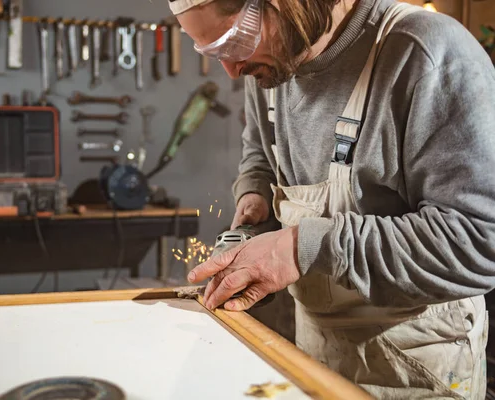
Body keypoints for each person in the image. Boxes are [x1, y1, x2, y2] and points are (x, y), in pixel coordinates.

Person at [167, 0, 495, 398]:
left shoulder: (427, 54)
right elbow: (261, 148)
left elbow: (478, 240)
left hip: (420, 367)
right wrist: (255, 193)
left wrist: (302, 246)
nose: (232, 69)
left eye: (235, 40)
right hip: (316, 357)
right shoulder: (272, 63)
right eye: (212, 52)